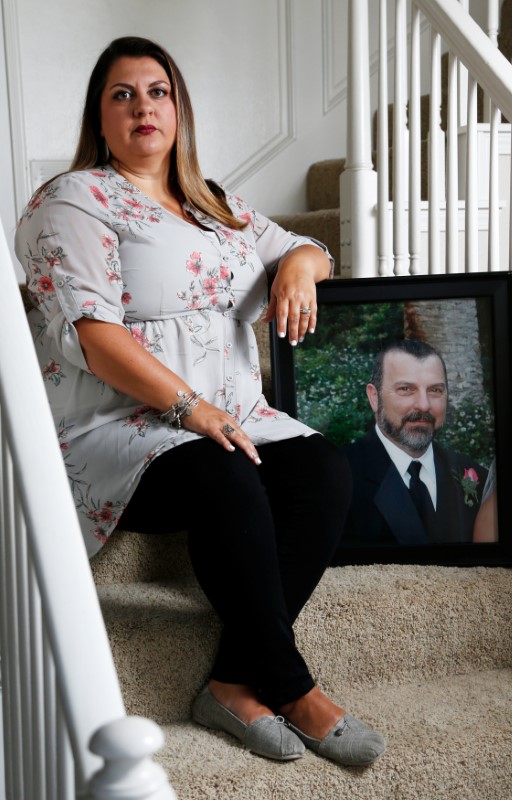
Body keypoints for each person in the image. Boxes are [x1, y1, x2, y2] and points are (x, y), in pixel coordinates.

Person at [15, 36, 385, 767]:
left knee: (322, 472)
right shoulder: (72, 200)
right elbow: (92, 337)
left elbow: (305, 249)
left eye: (157, 92)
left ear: (178, 109)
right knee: (226, 478)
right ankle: (290, 683)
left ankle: (230, 683)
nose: (142, 107)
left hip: (232, 412)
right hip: (122, 422)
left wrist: (298, 269)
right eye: (122, 94)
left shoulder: (212, 201)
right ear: (99, 115)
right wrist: (188, 408)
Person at [342, 339, 488, 548]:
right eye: (406, 389)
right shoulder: (340, 476)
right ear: (374, 398)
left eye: (435, 390)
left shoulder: (476, 477)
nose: (424, 405)